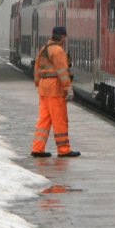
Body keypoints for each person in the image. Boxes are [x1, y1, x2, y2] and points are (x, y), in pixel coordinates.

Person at [32, 26, 79, 158]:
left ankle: (37, 148)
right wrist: (68, 88)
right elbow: (62, 72)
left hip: (44, 88)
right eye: (65, 37)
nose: (65, 40)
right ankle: (64, 150)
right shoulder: (58, 51)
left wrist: (38, 84)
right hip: (55, 89)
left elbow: (36, 69)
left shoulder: (44, 49)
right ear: (62, 37)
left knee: (44, 120)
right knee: (60, 120)